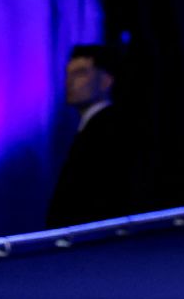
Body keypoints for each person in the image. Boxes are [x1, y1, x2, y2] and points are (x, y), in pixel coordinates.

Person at [46, 44, 132, 227]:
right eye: (68, 74)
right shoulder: (90, 128)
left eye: (81, 73)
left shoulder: (111, 130)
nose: (70, 81)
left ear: (106, 81)